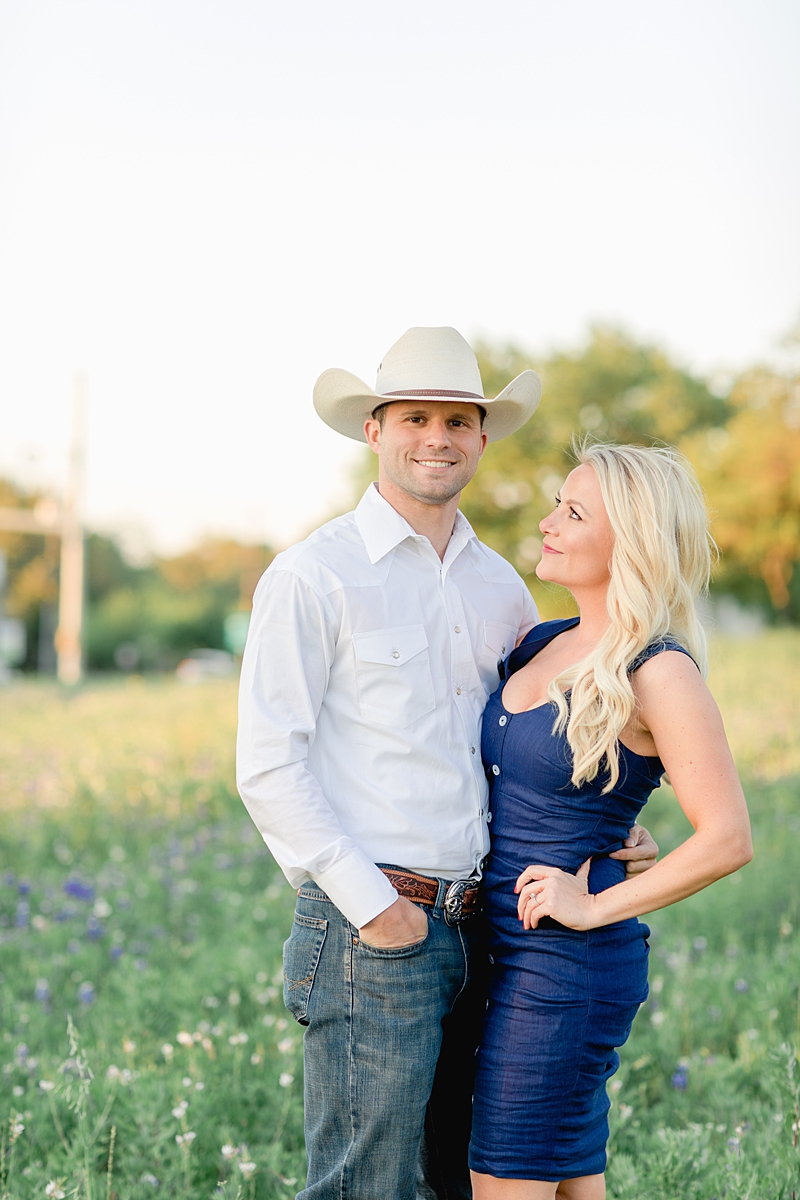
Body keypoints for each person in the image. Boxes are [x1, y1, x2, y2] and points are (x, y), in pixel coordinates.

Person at [236, 328, 658, 1200]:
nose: (438, 436)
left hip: (490, 930)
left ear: (482, 437)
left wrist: (612, 822)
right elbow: (269, 766)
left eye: (458, 420)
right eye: (415, 417)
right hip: (375, 929)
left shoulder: (500, 585)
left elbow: (525, 743)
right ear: (374, 432)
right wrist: (376, 909)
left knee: (459, 1181)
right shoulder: (314, 577)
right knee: (370, 1188)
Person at [468, 442, 753, 1200]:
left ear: (630, 538)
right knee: (564, 1181)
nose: (546, 521)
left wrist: (591, 904)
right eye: (557, 504)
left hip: (566, 967)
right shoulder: (540, 642)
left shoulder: (658, 669)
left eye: (573, 511)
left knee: (504, 1180)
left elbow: (727, 836)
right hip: (495, 951)